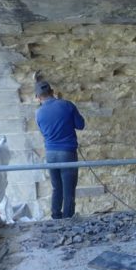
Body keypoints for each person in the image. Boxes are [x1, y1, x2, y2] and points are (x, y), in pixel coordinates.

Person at [35, 81, 85, 219]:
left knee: (57, 188)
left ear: (38, 97)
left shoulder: (38, 113)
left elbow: (43, 132)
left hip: (50, 154)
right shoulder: (67, 105)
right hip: (67, 153)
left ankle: (56, 217)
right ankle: (68, 219)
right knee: (68, 189)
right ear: (52, 92)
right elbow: (81, 125)